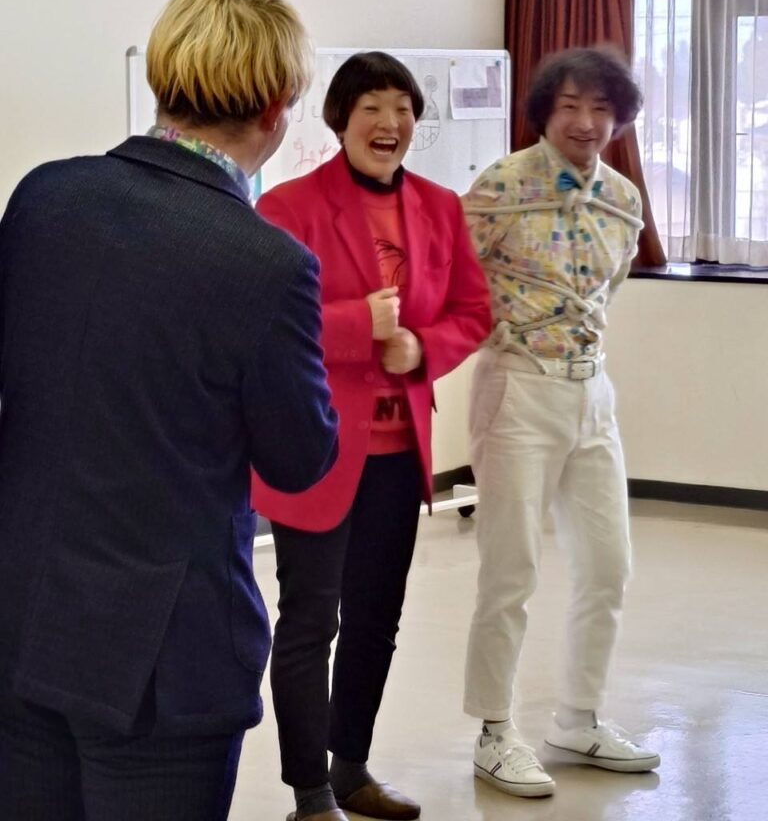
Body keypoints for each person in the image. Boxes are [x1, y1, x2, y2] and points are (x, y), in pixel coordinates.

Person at [0, 0, 338, 821]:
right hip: (163, 661)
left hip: (22, 616)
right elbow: (298, 460)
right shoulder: (266, 264)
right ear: (275, 108)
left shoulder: (44, 196)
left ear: (163, 78)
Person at [251, 51, 492, 821]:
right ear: (340, 121)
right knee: (310, 622)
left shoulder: (439, 207)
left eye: (403, 109)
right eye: (372, 108)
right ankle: (310, 793)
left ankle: (351, 770)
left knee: (376, 622)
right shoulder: (287, 207)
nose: (390, 124)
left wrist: (424, 348)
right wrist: (360, 326)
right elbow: (265, 324)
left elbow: (472, 312)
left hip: (397, 457)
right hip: (316, 450)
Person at [462, 46, 660, 799]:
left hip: (592, 391)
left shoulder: (622, 200)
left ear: (619, 119)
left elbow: (610, 289)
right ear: (544, 111)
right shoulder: (500, 187)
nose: (585, 121)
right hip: (518, 384)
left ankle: (578, 718)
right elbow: (457, 280)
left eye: (601, 108)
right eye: (570, 105)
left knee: (609, 565)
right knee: (510, 569)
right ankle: (494, 730)